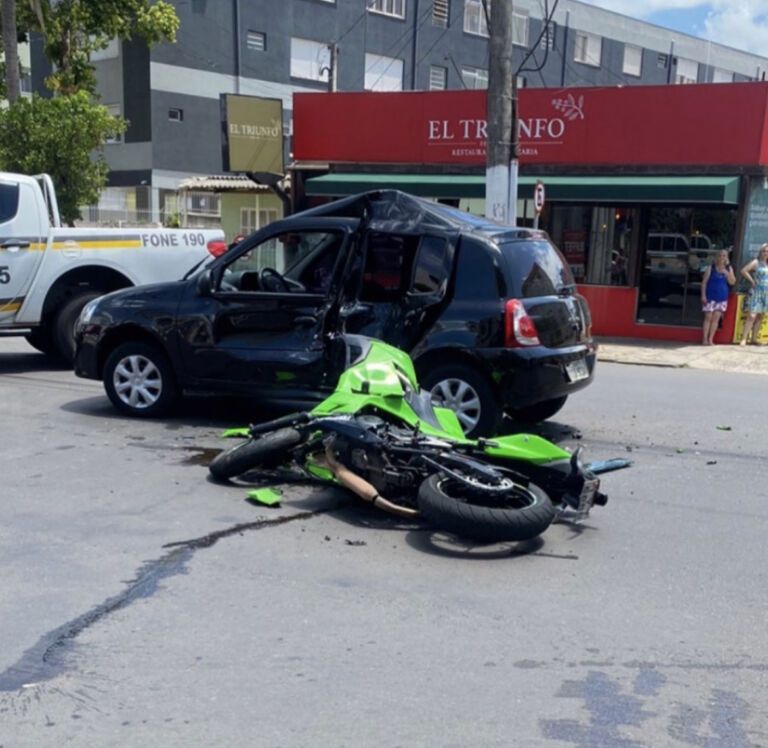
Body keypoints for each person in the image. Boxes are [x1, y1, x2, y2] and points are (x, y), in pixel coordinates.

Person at [700, 249, 736, 345]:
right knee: (708, 317)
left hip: (722, 297)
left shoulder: (729, 268)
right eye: (720, 255)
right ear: (716, 257)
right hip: (710, 296)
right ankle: (704, 339)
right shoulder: (710, 268)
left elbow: (732, 282)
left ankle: (711, 339)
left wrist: (727, 274)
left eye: (724, 256)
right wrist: (703, 295)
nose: (721, 257)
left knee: (716, 318)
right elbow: (704, 283)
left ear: (726, 258)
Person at [739, 243, 768, 346]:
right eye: (764, 251)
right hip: (756, 291)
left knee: (760, 316)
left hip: (766, 293)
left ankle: (754, 339)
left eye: (767, 251)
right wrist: (752, 281)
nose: (766, 253)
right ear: (761, 252)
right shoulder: (756, 262)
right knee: (752, 315)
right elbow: (743, 271)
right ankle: (744, 338)